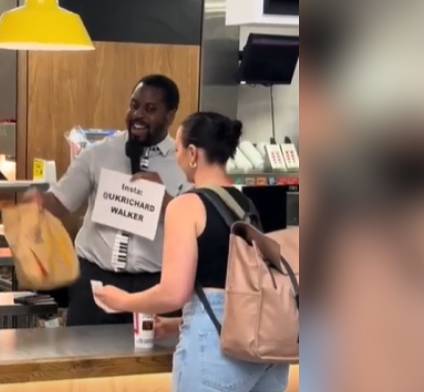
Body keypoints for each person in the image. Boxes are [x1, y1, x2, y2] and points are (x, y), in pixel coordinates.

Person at [94, 112, 290, 392]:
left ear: (193, 153)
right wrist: (175, 324)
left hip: (217, 349)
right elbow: (235, 291)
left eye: (177, 150)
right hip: (266, 351)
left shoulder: (185, 206)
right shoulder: (246, 204)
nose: (176, 157)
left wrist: (123, 301)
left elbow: (174, 292)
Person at [25, 75, 191, 327]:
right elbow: (61, 200)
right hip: (95, 282)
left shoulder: (184, 163)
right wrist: (39, 204)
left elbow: (195, 222)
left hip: (156, 285)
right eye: (134, 105)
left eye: (150, 109)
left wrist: (164, 199)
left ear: (170, 116)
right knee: (84, 359)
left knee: (151, 364)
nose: (138, 115)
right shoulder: (99, 154)